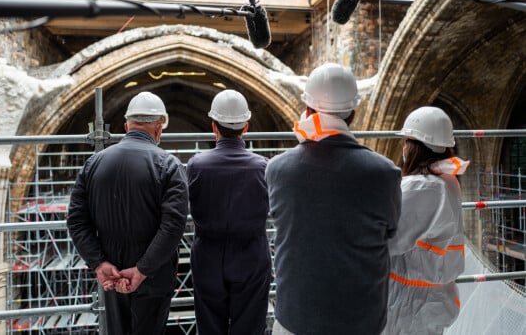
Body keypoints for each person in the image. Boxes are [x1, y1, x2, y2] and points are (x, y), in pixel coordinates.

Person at [265, 63, 402, 335]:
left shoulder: (277, 169)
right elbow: (392, 231)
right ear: (353, 114)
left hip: (296, 320)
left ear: (307, 110)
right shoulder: (385, 172)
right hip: (362, 321)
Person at [67, 91, 189, 335]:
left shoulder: (93, 163)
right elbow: (173, 226)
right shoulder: (169, 165)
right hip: (153, 274)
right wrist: (143, 269)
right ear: (158, 128)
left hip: (111, 272)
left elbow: (77, 220)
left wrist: (99, 262)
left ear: (126, 126)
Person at [187, 89, 271, 335]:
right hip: (251, 255)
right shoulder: (263, 166)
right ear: (245, 127)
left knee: (210, 325)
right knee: (250, 325)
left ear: (214, 126)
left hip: (207, 254)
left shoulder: (196, 165)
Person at [383, 106, 469, 335]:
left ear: (412, 146)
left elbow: (391, 240)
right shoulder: (447, 181)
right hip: (434, 297)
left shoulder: (422, 186)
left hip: (410, 303)